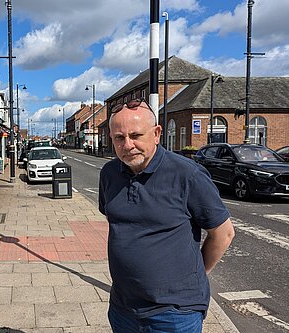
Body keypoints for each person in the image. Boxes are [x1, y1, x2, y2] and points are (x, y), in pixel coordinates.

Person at [98, 99, 234, 333]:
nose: (128, 145)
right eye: (119, 138)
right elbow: (118, 224)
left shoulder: (187, 174)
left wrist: (194, 275)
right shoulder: (109, 174)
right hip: (123, 309)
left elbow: (223, 233)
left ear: (157, 133)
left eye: (136, 135)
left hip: (175, 313)